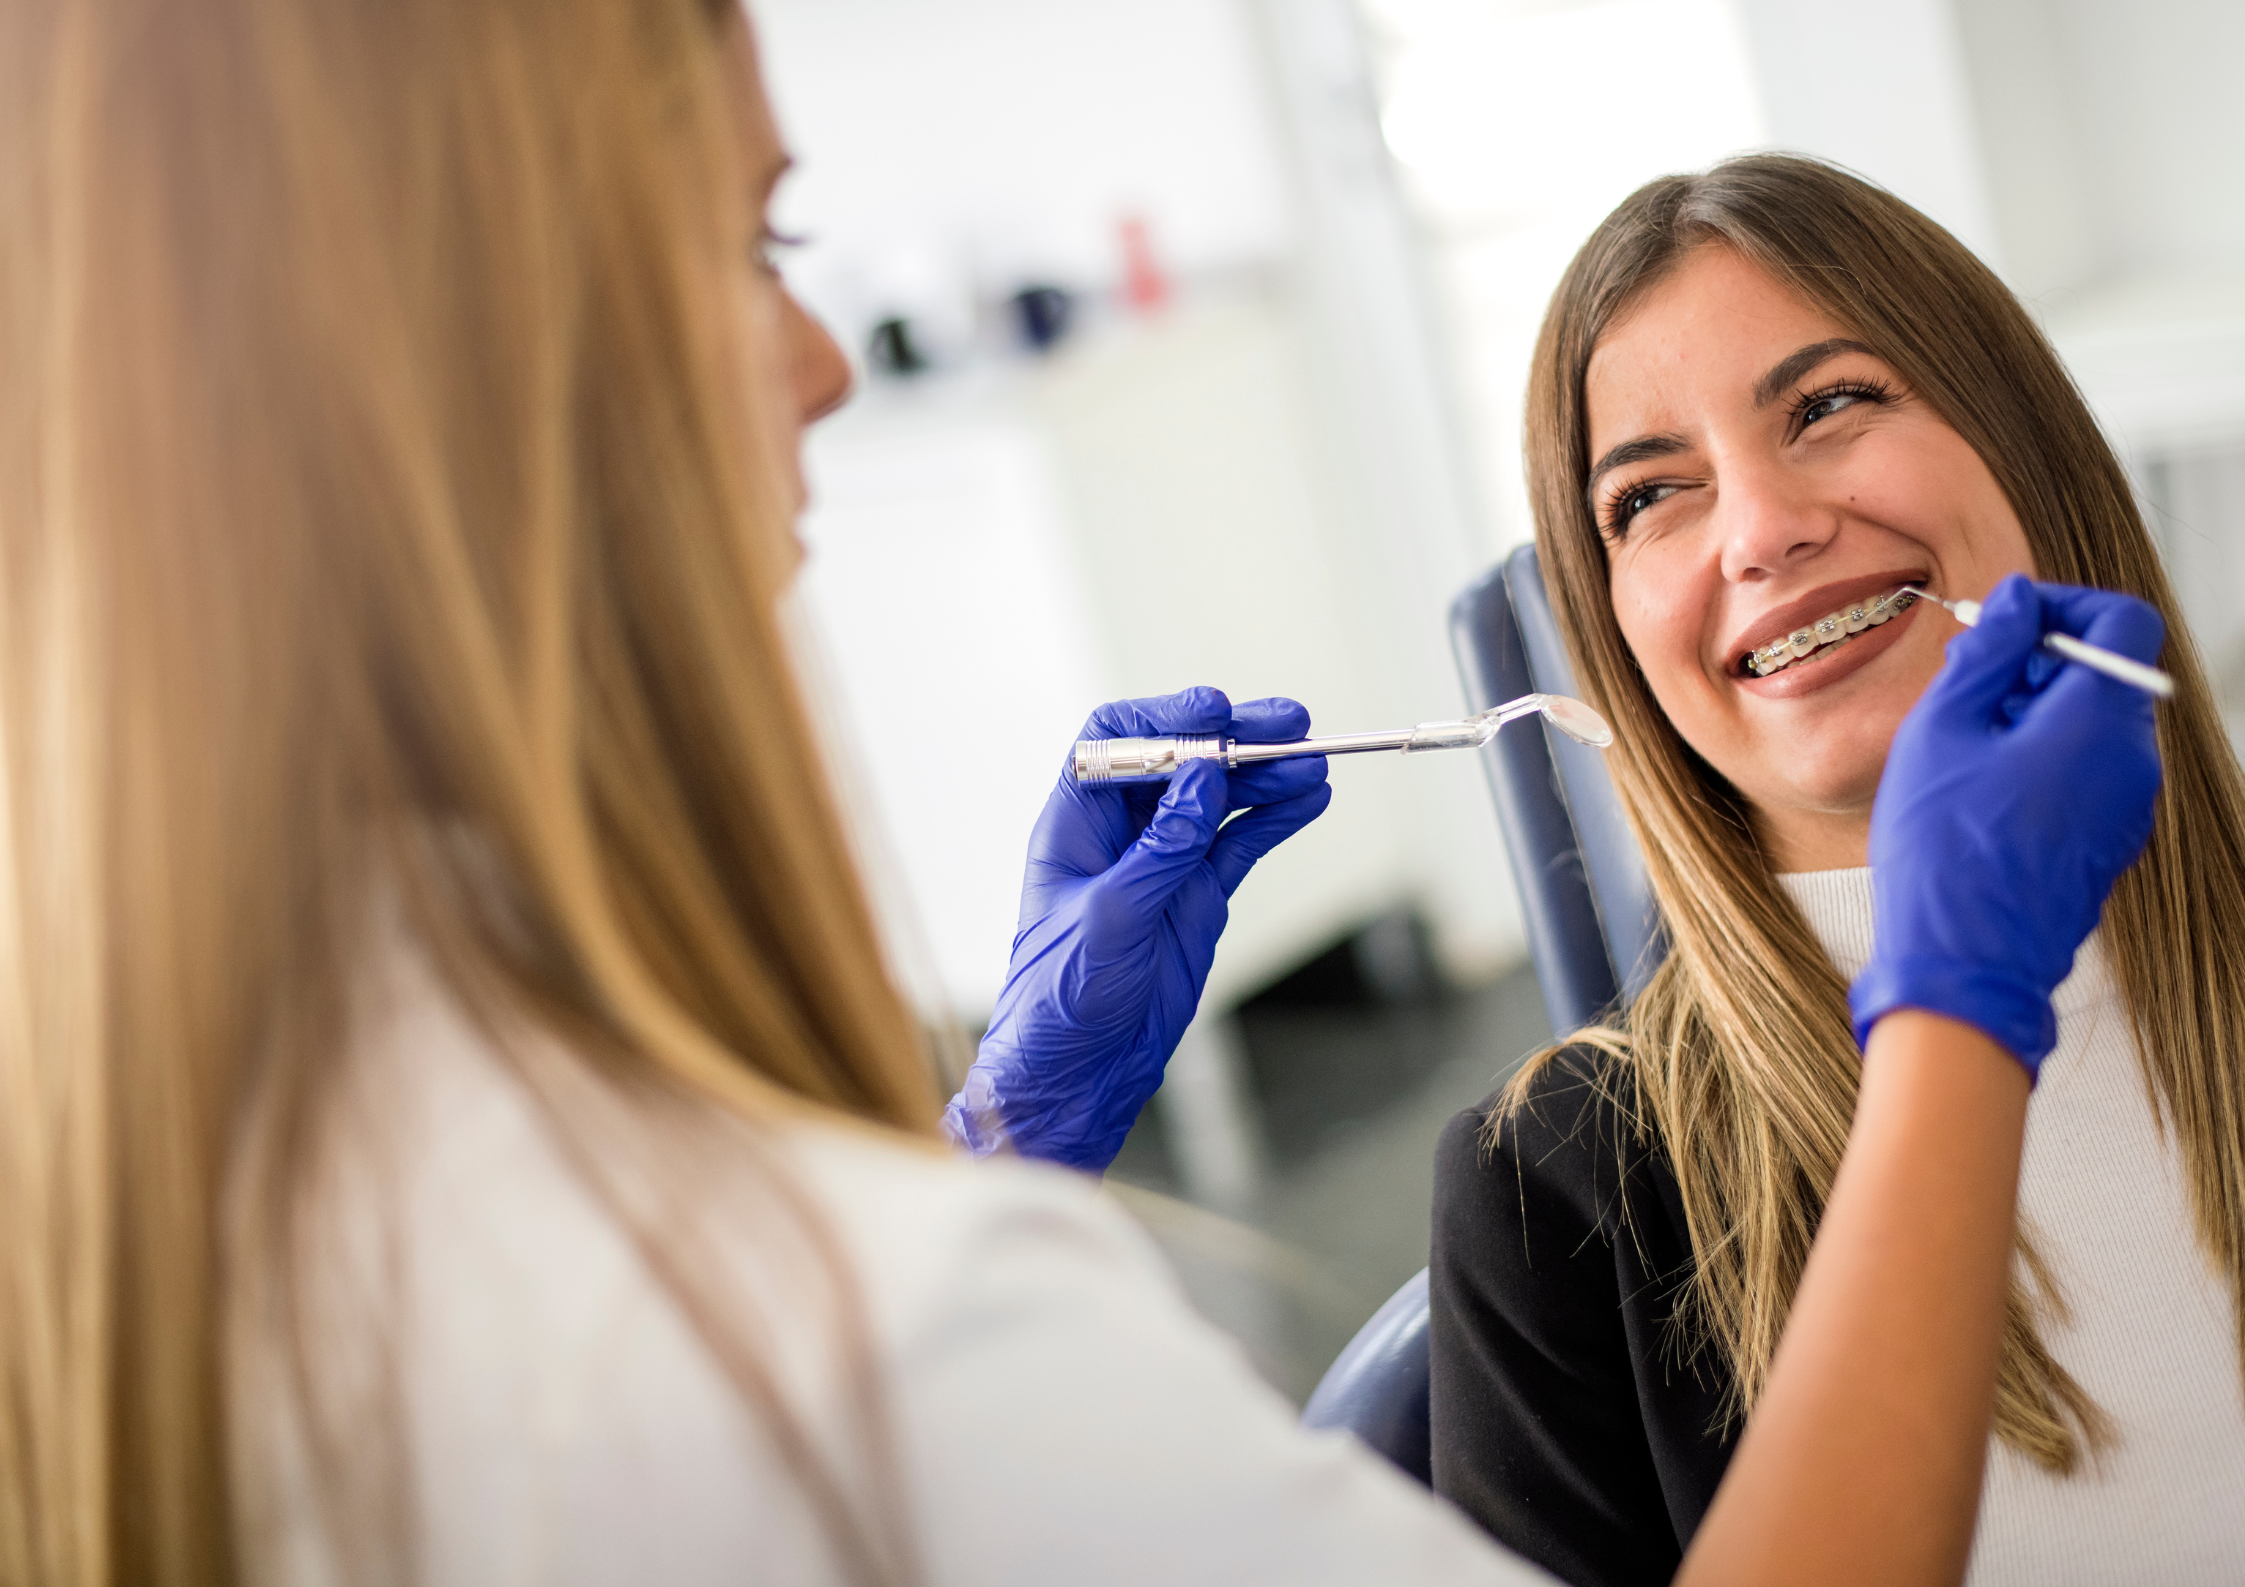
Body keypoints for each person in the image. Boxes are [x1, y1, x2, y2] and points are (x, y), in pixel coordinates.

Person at [0, 4, 2161, 1582]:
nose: (828, 363)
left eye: (1840, 402)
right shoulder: (1528, 1199)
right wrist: (1959, 1011)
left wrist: (995, 1160)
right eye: (753, 248)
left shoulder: (194, 1231)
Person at [1429, 155, 2245, 1587]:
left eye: (1832, 404)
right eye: (1651, 498)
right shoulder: (1551, 1187)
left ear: (2026, 441)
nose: (1763, 529)